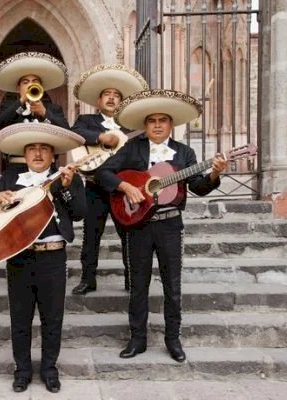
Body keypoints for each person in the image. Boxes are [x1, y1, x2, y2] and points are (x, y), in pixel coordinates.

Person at [95, 89, 227, 362]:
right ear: (145, 124)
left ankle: (173, 339)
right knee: (138, 285)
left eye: (162, 120)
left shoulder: (184, 153)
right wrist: (126, 186)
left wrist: (214, 172)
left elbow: (199, 187)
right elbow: (103, 172)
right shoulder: (133, 148)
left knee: (172, 285)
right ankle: (137, 339)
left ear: (171, 124)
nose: (157, 124)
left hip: (169, 226)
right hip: (137, 225)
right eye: (152, 120)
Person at [0, 123, 86, 393]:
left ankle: (49, 369)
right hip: (19, 257)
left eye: (44, 149)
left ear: (53, 155)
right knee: (20, 317)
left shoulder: (68, 177)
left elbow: (79, 212)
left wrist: (64, 187)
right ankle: (22, 370)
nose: (38, 154)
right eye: (32, 149)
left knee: (52, 317)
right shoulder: (10, 177)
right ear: (24, 155)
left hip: (53, 258)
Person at [70, 64, 149, 295]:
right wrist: (101, 137)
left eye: (116, 96)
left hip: (120, 188)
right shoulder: (86, 120)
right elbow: (74, 134)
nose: (112, 98)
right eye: (107, 95)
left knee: (128, 233)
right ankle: (88, 279)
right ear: (99, 100)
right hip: (94, 186)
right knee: (91, 233)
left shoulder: (132, 127)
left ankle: (130, 279)